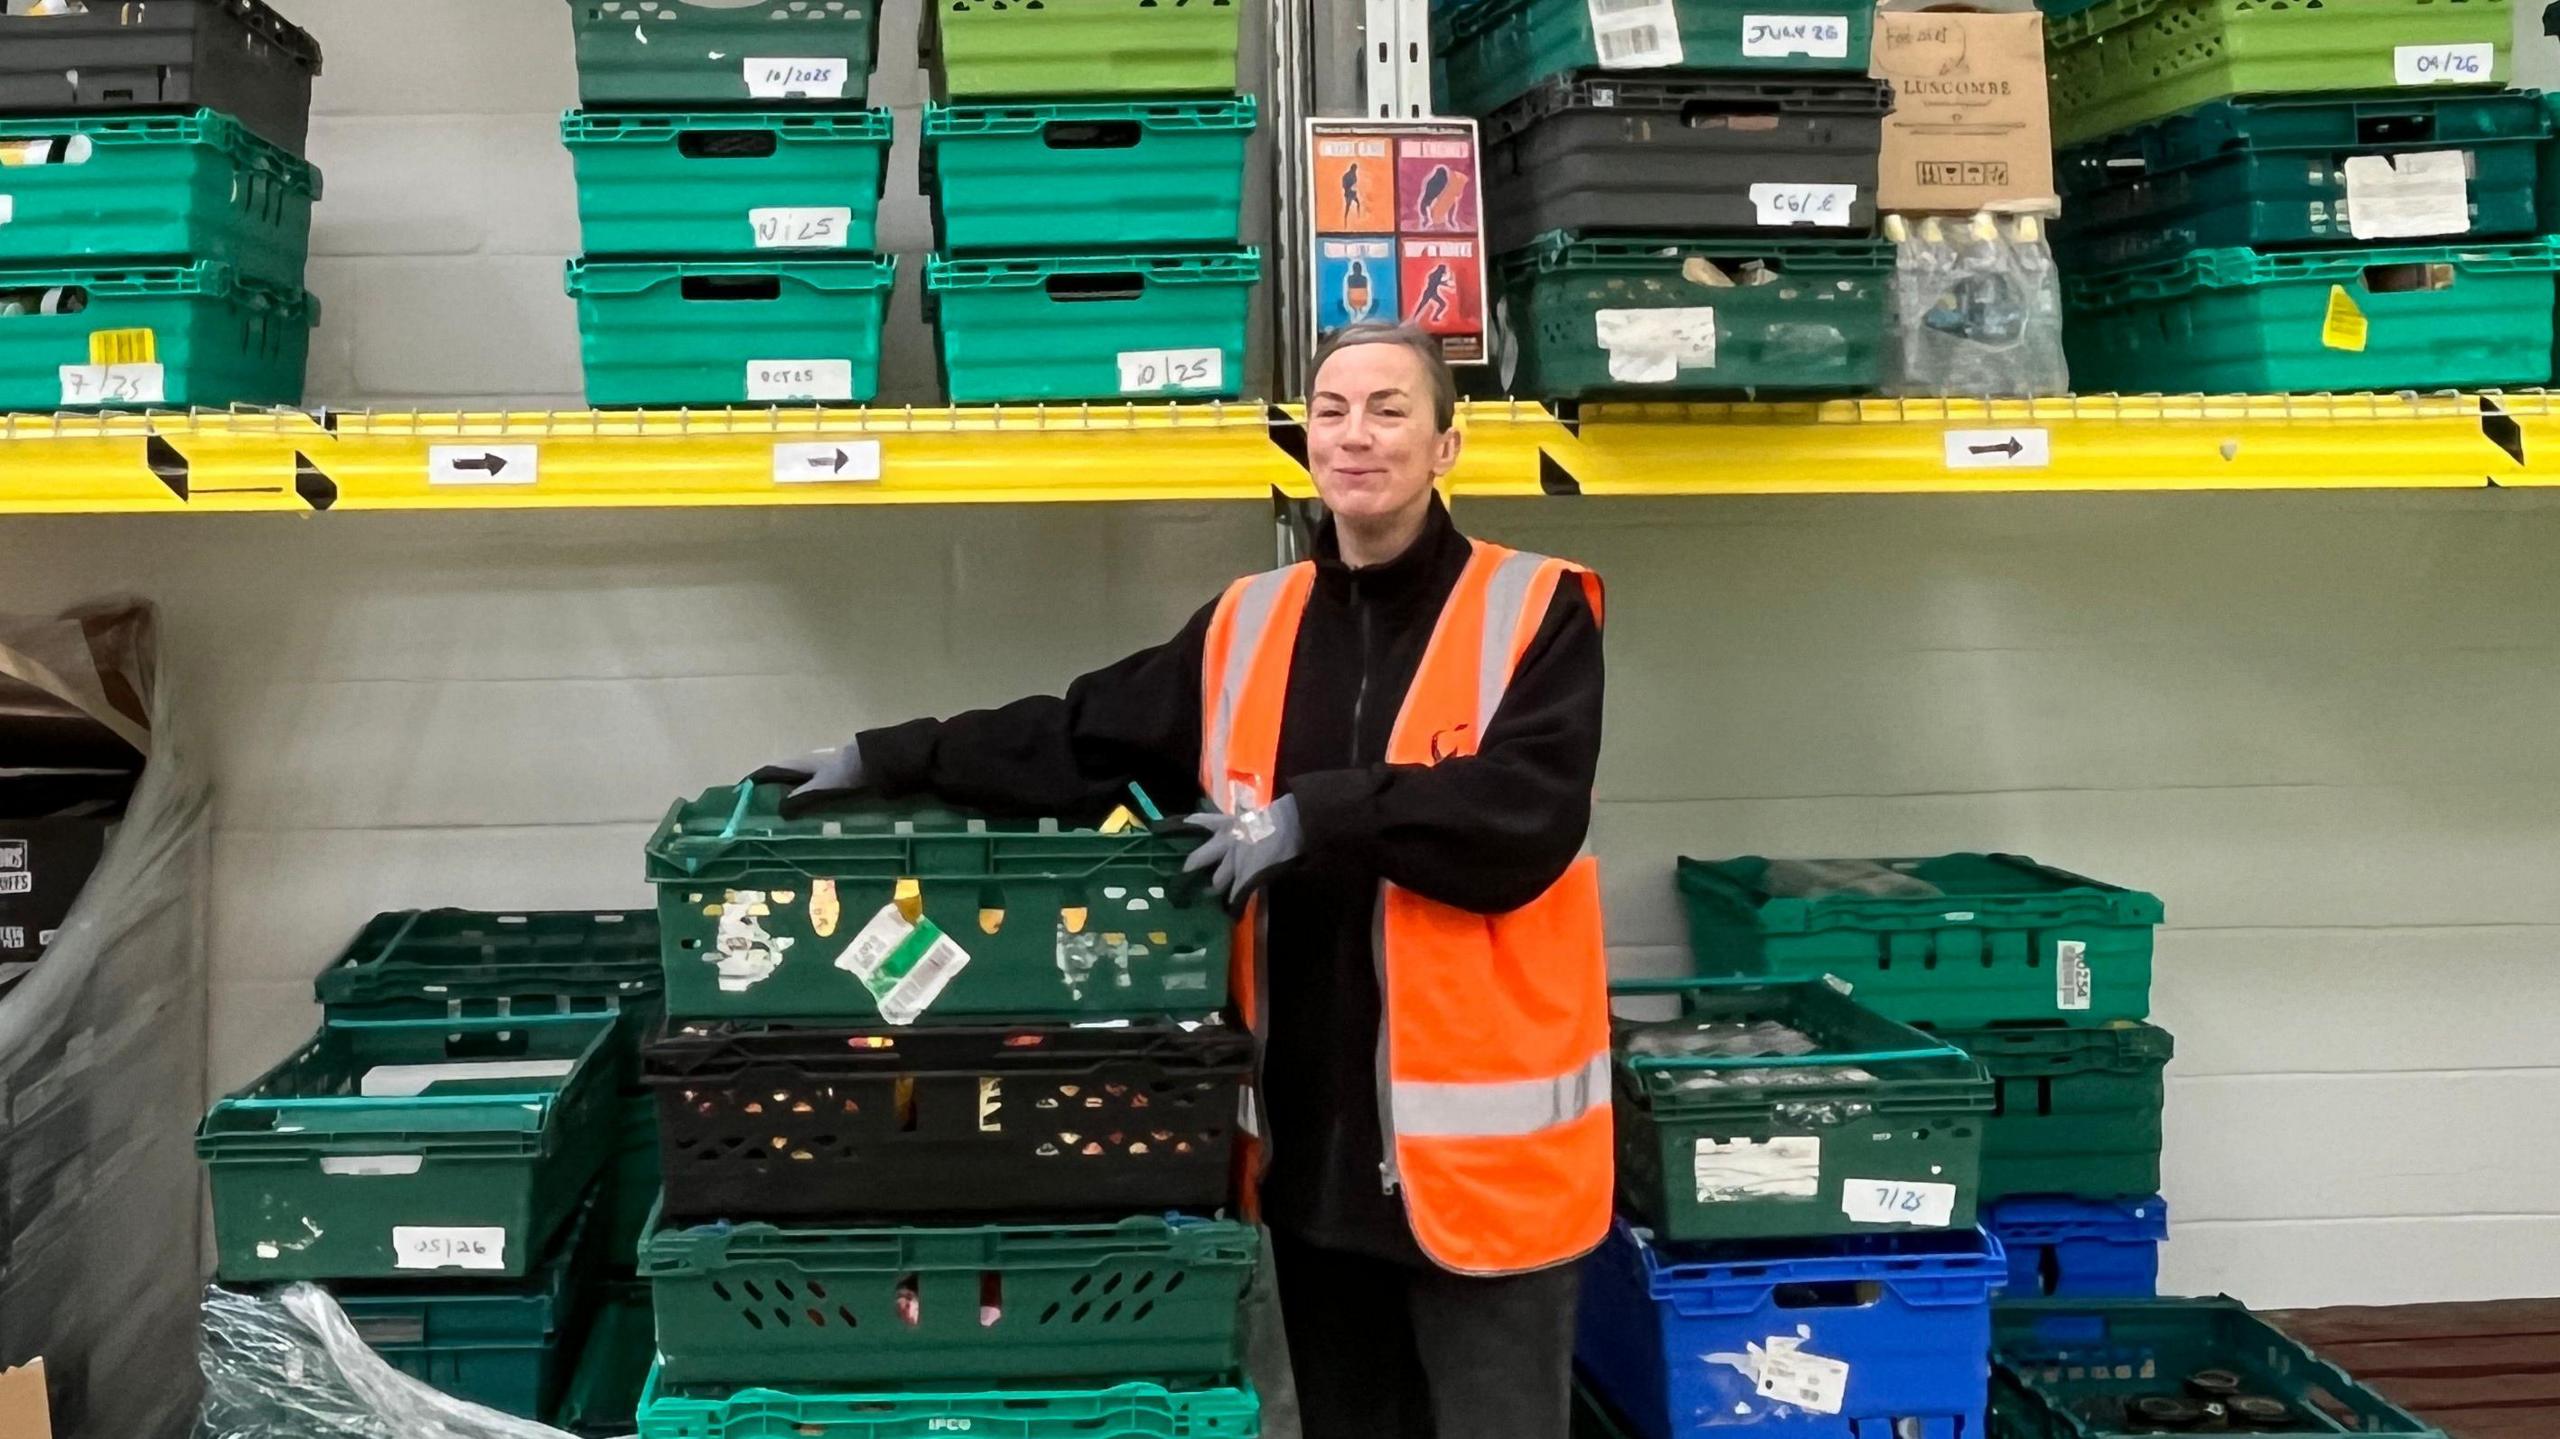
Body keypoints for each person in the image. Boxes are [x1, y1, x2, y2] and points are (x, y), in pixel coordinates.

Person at [757, 323, 1611, 1439]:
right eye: (1334, 410)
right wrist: (891, 754)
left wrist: (1320, 813)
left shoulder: (1533, 609)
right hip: (1315, 1159)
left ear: (1446, 445)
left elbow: (1523, 815)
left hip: (1484, 1178)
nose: (1356, 435)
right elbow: (1079, 734)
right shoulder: (1249, 624)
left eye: (1390, 410)